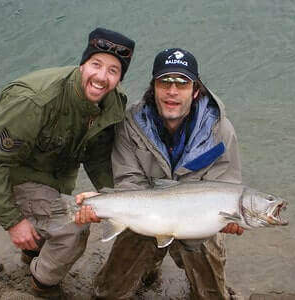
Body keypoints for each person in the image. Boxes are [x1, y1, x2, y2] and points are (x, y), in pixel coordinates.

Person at [0, 27, 135, 297]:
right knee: (74, 230)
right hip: (16, 175)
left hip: (56, 181)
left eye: (113, 71)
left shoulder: (112, 103)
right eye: (96, 65)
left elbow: (98, 157)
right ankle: (42, 284)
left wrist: (116, 199)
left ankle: (32, 250)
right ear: (83, 64)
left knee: (75, 212)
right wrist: (13, 222)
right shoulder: (36, 101)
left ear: (119, 78)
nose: (102, 77)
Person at [76, 48, 244, 299]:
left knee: (209, 278)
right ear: (153, 87)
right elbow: (128, 182)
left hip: (196, 222)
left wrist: (231, 219)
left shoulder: (220, 131)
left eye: (182, 83)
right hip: (145, 215)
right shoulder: (131, 123)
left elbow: (227, 187)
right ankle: (143, 272)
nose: (172, 91)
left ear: (196, 91)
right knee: (107, 293)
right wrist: (101, 204)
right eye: (164, 82)